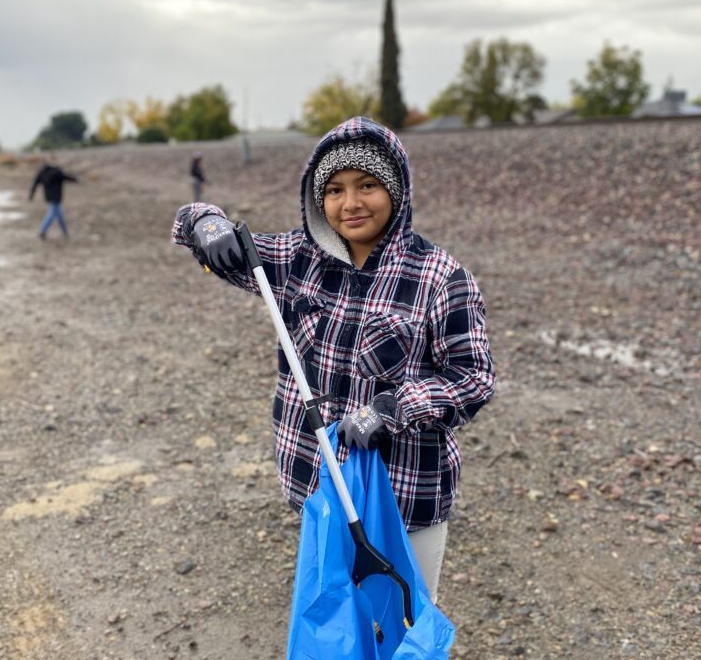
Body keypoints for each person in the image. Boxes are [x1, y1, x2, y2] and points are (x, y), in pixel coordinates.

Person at [171, 117, 495, 602]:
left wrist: (393, 409)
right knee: (335, 622)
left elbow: (473, 378)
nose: (351, 204)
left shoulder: (442, 278)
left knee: (405, 622)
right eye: (335, 190)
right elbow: (192, 220)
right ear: (317, 199)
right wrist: (206, 223)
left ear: (397, 190)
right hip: (318, 484)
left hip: (407, 494)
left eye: (367, 185)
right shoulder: (291, 260)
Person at [29, 161, 79, 239]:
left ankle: (65, 232)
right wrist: (75, 179)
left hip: (48, 197)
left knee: (59, 215)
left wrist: (31, 195)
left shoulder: (42, 172)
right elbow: (66, 177)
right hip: (56, 197)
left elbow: (35, 183)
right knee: (51, 214)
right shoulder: (57, 171)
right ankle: (43, 231)